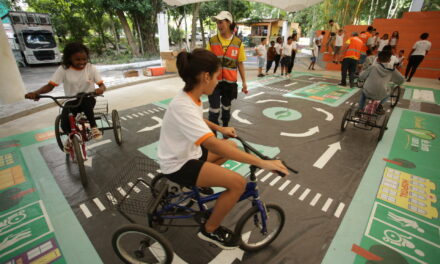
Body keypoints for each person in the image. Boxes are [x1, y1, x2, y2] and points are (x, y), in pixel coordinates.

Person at [157, 48, 288, 249]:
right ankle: (209, 230)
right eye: (217, 76)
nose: (218, 81)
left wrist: (220, 128)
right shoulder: (183, 105)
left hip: (187, 154)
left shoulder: (191, 96)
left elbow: (199, 121)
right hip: (178, 164)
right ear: (206, 76)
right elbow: (211, 144)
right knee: (238, 183)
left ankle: (198, 185)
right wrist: (263, 162)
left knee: (231, 144)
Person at [25, 42, 105, 149]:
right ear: (69, 58)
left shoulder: (91, 68)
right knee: (64, 124)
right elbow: (50, 86)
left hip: (88, 99)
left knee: (84, 97)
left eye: (84, 59)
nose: (82, 62)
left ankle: (93, 127)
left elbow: (102, 86)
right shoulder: (63, 69)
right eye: (77, 59)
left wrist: (100, 89)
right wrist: (36, 93)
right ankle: (71, 138)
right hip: (71, 101)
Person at [206, 11, 248, 128]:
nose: (219, 26)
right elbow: (206, 61)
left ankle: (225, 129)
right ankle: (213, 137)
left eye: (221, 22)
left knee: (226, 109)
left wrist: (244, 82)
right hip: (214, 83)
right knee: (213, 111)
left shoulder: (238, 43)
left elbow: (240, 64)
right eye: (217, 23)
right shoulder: (212, 41)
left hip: (229, 84)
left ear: (229, 23)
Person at [357, 50, 405, 115]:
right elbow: (401, 80)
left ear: (377, 59)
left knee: (363, 93)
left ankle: (360, 109)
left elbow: (361, 77)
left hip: (368, 92)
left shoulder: (373, 67)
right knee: (389, 92)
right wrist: (393, 80)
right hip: (381, 94)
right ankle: (379, 105)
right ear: (390, 60)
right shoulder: (392, 70)